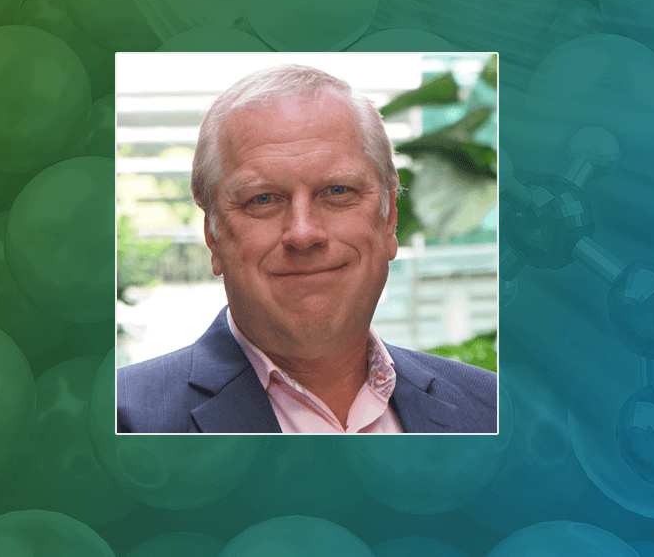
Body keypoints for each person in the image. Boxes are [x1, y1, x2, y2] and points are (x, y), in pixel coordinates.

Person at [116, 63, 497, 433]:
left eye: (337, 191)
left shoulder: (492, 409)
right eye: (263, 199)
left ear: (389, 220)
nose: (303, 233)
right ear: (213, 235)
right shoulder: (121, 420)